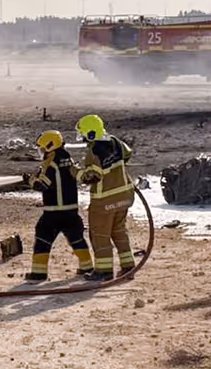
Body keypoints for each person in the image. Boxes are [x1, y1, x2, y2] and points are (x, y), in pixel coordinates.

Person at [23, 130, 95, 282]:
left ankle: (38, 273)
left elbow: (42, 185)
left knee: (43, 239)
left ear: (50, 146)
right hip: (71, 211)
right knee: (76, 239)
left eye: (42, 148)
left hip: (54, 212)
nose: (41, 152)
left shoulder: (52, 164)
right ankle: (87, 267)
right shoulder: (68, 159)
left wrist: (30, 181)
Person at [76, 114, 136, 282]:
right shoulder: (116, 141)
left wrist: (74, 171)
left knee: (99, 235)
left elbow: (91, 177)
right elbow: (127, 153)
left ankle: (104, 271)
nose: (82, 137)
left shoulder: (94, 151)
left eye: (83, 133)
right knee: (119, 232)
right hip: (124, 197)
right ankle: (128, 267)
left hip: (104, 201)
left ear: (90, 133)